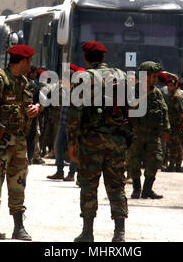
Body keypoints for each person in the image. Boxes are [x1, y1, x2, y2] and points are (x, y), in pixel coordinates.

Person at [68, 41, 129, 242]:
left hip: (91, 141)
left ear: (86, 58)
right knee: (116, 185)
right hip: (117, 141)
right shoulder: (120, 75)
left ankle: (87, 232)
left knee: (88, 186)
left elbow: (74, 114)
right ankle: (119, 233)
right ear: (103, 58)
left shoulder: (83, 78)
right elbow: (130, 107)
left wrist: (72, 142)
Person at [0, 44, 41, 241]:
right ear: (23, 61)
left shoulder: (24, 82)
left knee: (18, 183)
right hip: (1, 140)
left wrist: (36, 108)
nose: (31, 65)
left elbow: (27, 106)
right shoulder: (0, 80)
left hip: (20, 141)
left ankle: (18, 227)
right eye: (29, 62)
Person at [127, 61, 169, 199]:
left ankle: (147, 189)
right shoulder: (133, 92)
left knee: (156, 159)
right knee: (134, 161)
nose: (156, 80)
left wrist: (165, 131)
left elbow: (164, 112)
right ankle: (136, 188)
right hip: (136, 134)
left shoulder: (157, 93)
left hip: (153, 135)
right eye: (153, 76)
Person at [47, 66, 79, 181]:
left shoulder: (76, 91)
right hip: (63, 122)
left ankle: (71, 173)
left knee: (73, 148)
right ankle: (59, 171)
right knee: (58, 146)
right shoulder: (65, 90)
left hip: (72, 124)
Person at [166, 78, 183, 172]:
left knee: (175, 145)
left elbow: (181, 112)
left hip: (176, 125)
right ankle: (176, 165)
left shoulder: (176, 97)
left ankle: (175, 165)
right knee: (173, 145)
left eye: (171, 86)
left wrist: (180, 124)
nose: (169, 87)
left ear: (175, 87)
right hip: (172, 124)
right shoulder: (171, 96)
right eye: (168, 85)